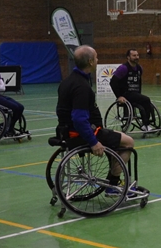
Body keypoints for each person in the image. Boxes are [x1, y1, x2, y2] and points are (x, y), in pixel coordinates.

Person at [57, 45, 143, 191]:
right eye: (96, 57)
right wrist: (93, 142)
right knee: (128, 142)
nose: (98, 60)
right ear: (90, 62)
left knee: (116, 137)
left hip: (66, 130)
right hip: (80, 134)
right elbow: (78, 118)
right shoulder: (81, 87)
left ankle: (113, 179)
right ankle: (113, 184)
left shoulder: (68, 81)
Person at [109, 49, 156, 132]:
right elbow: (113, 82)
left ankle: (148, 123)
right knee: (146, 99)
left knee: (147, 104)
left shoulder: (139, 68)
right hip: (126, 94)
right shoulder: (123, 68)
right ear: (128, 57)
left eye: (137, 55)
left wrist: (139, 94)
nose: (136, 57)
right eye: (134, 56)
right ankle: (145, 125)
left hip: (134, 94)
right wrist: (119, 96)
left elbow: (139, 82)